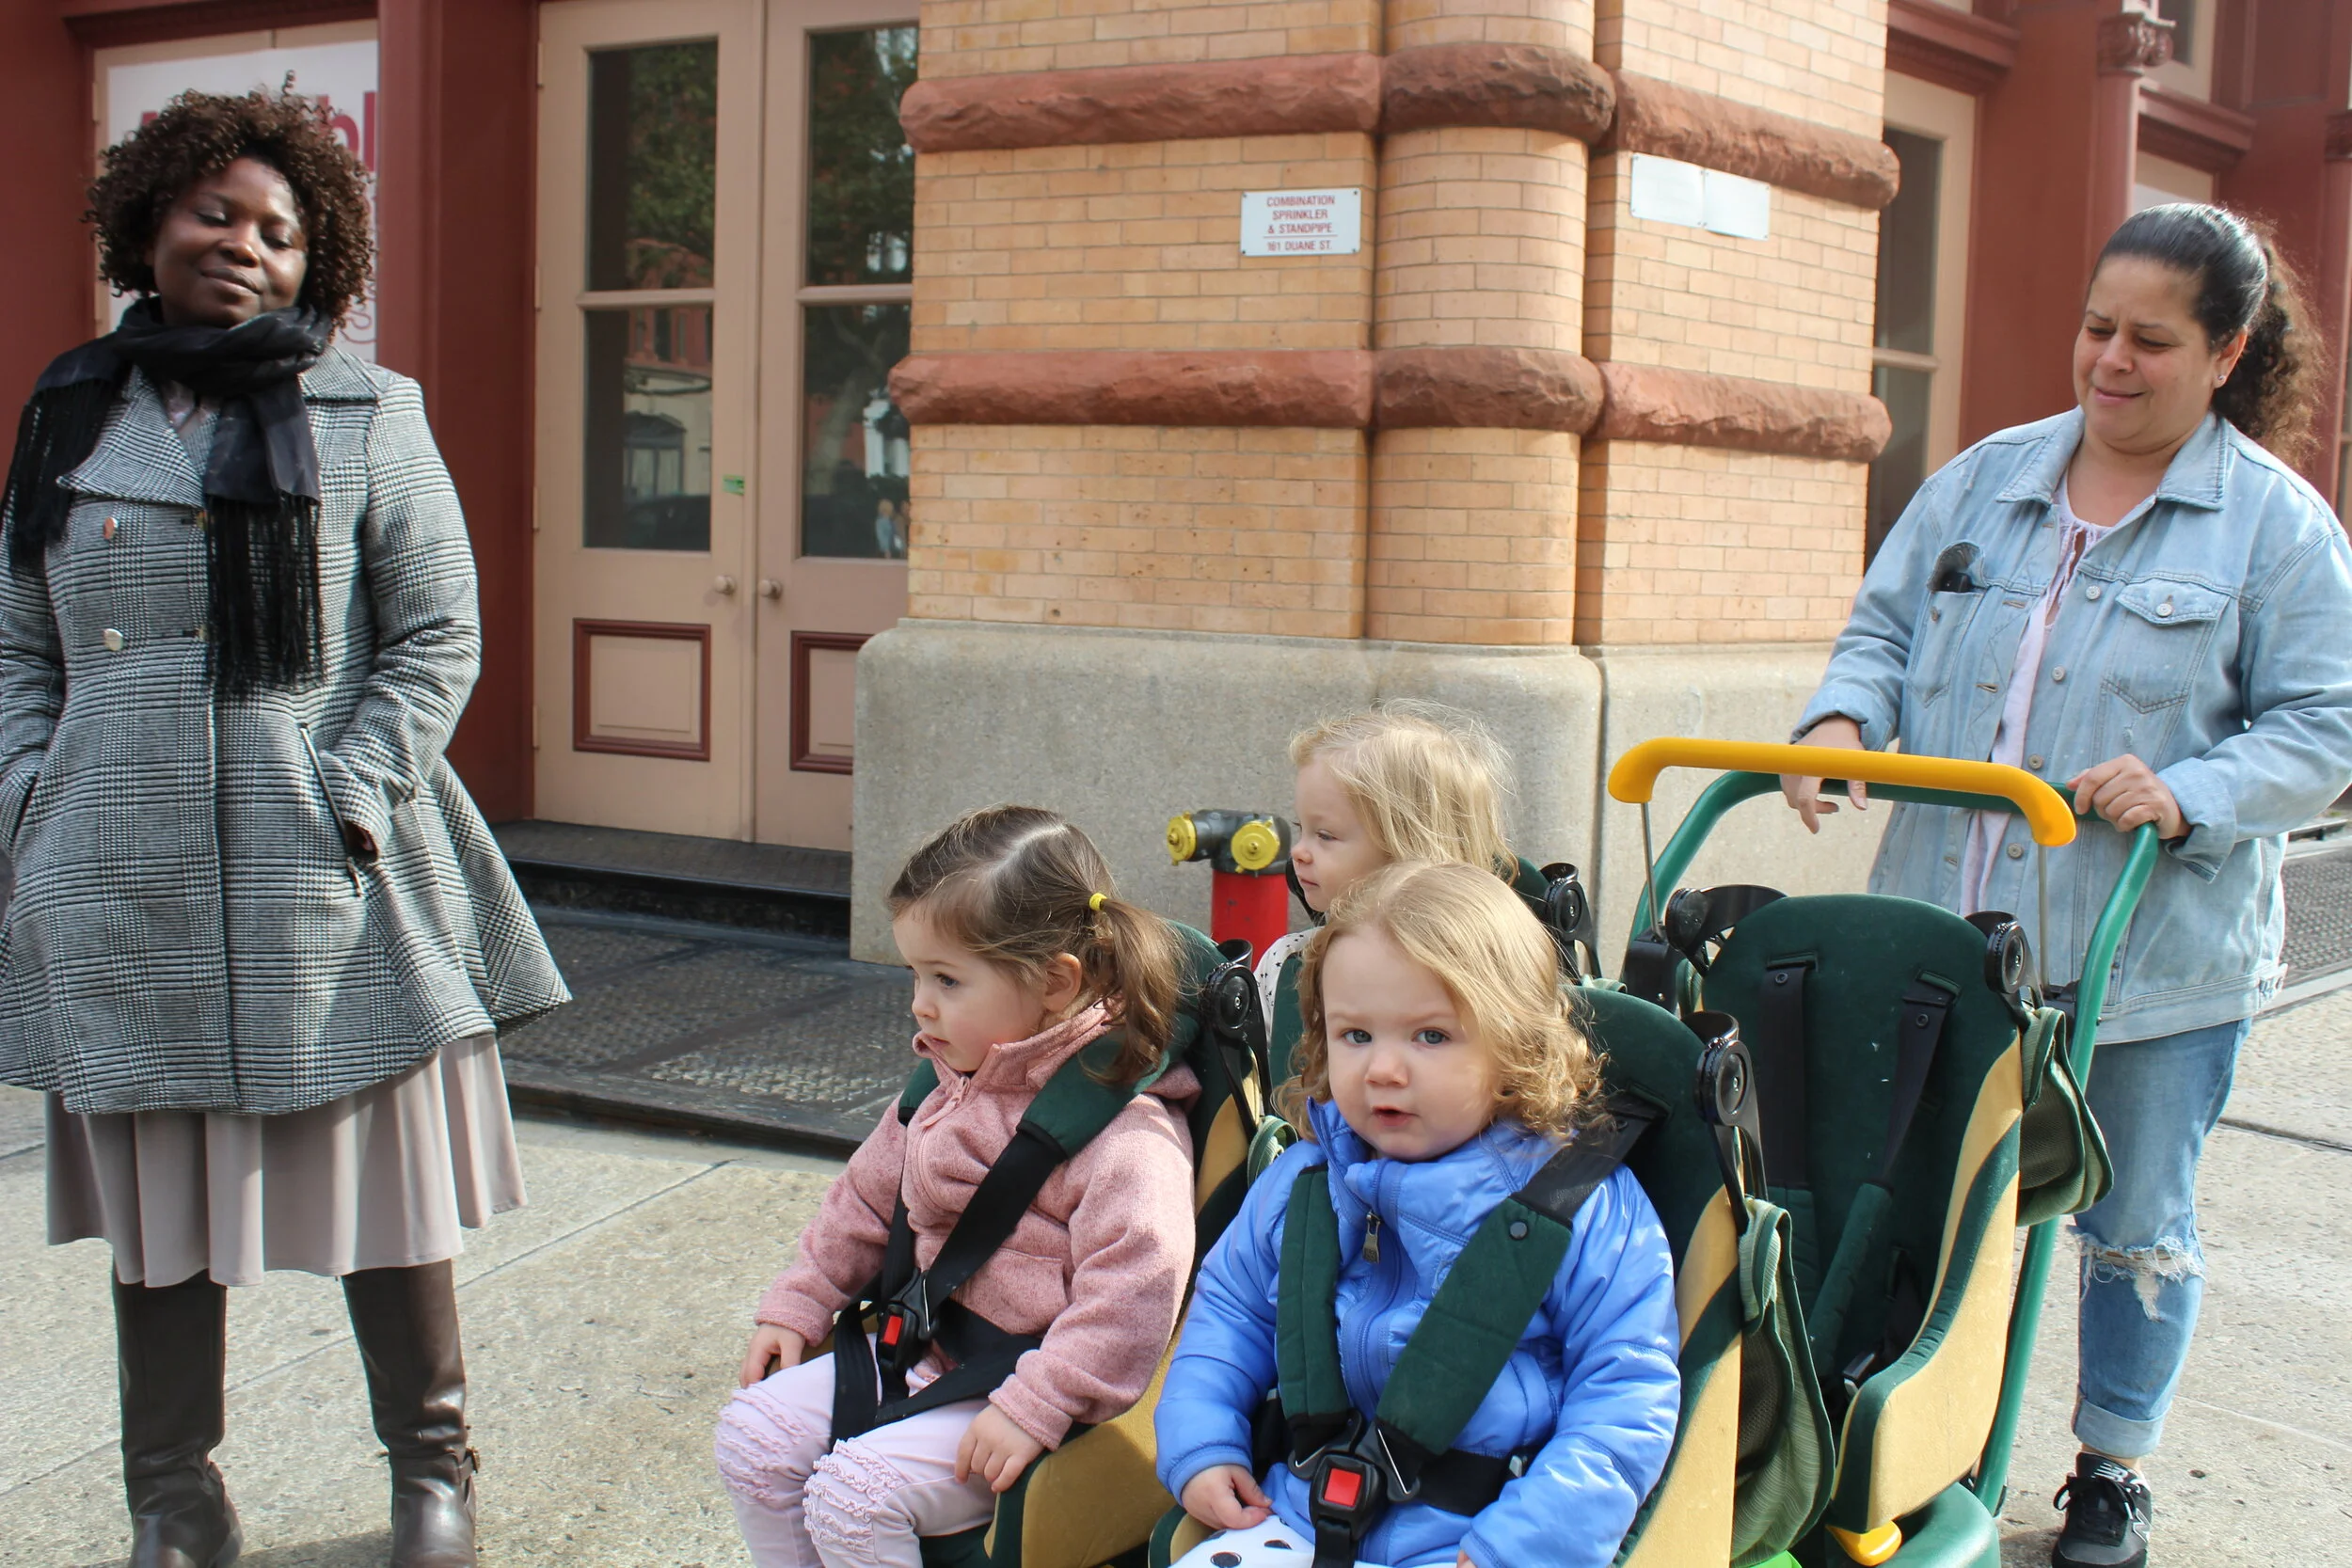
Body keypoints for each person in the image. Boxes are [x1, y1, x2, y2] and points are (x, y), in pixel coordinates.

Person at [0, 87, 568, 1568]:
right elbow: (18, 643)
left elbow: (437, 634)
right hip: (117, 872)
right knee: (160, 1210)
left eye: (281, 228)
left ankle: (432, 1476)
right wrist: (28, 798)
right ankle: (175, 1499)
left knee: (385, 1194)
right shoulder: (68, 410)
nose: (244, 244)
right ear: (149, 220)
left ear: (318, 259)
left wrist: (357, 787)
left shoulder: (373, 411)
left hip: (325, 864)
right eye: (215, 212)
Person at [1782, 203, 2352, 1568]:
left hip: (2145, 957)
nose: (2111, 359)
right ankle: (1905, 1433)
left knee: (2130, 1221)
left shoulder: (2275, 528)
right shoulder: (1985, 479)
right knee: (1919, 1186)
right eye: (2098, 327)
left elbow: (2325, 724)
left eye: (2152, 339)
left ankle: (2111, 1464)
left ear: (2227, 352)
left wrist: (2192, 789)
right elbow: (1882, 628)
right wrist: (1841, 720)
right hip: (1946, 932)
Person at [1155, 860, 1679, 1568]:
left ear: (1515, 1045)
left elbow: (1624, 1396)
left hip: (1481, 1534)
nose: (1383, 1070)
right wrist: (1201, 1441)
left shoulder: (1583, 1208)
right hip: (1298, 1510)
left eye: (1430, 1036)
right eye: (1356, 1035)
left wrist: (1526, 1544)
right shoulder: (1304, 1178)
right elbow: (1229, 1311)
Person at [716, 805, 1199, 1567]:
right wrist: (803, 1297)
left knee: (855, 1498)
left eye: (947, 978)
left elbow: (1134, 1293)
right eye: (915, 973)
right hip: (922, 1346)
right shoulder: (945, 1083)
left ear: (1054, 981)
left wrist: (1039, 1404)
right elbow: (866, 1202)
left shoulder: (1124, 1136)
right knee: (752, 1438)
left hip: (1034, 1388)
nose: (920, 1001)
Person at [1256, 701, 1517, 1058]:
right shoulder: (1290, 964)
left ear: (1407, 852)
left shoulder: (1489, 972)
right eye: (1303, 829)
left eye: (1326, 836)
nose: (1299, 851)